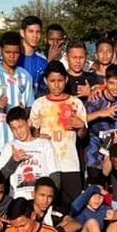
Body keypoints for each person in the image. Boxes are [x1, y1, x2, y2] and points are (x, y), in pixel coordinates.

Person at [31, 61, 88, 203]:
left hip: (70, 164)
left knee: (74, 206)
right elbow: (32, 133)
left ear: (66, 80)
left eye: (60, 81)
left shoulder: (76, 103)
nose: (56, 85)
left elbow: (82, 136)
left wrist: (81, 126)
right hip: (47, 165)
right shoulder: (39, 104)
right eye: (52, 81)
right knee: (49, 205)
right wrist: (37, 137)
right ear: (46, 81)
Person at [0, 31, 37, 169]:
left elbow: (29, 108)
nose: (12, 57)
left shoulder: (25, 76)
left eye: (16, 52)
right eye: (8, 52)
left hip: (19, 142)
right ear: (1, 50)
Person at [0, 107, 59, 199]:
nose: (18, 132)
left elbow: (54, 174)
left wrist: (52, 198)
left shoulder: (44, 144)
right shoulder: (10, 147)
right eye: (14, 129)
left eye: (20, 127)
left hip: (41, 201)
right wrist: (13, 161)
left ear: (29, 123)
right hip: (17, 200)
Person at [86, 64, 117, 186]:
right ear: (105, 81)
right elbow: (81, 120)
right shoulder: (95, 98)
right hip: (95, 152)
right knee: (96, 187)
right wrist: (101, 113)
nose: (115, 88)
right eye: (111, 83)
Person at [19, 16, 49, 95]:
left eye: (38, 32)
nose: (35, 36)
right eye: (31, 31)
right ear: (22, 33)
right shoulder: (12, 59)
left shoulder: (43, 62)